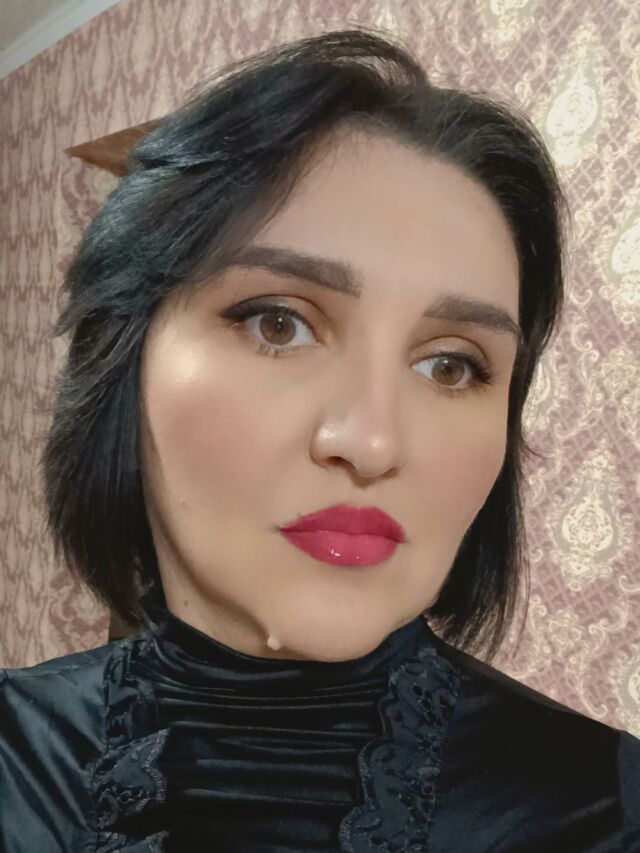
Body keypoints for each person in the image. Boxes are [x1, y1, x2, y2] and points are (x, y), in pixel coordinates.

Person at [1, 26, 638, 852]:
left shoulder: (606, 813)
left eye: (451, 365)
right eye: (279, 323)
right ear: (122, 355)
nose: (370, 442)